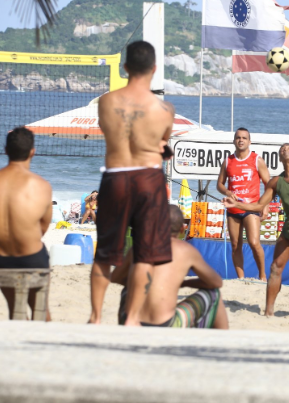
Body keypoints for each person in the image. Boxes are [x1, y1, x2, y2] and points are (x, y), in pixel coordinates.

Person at [89, 40, 175, 327]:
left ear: (125, 67)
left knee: (104, 254)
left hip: (116, 176)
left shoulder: (105, 102)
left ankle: (96, 316)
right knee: (144, 255)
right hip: (149, 179)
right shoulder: (164, 109)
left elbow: (110, 131)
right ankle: (133, 319)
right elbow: (162, 143)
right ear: (154, 69)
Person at [222, 143, 289, 316]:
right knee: (274, 268)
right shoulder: (275, 182)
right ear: (280, 158)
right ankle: (269, 311)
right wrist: (236, 204)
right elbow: (258, 205)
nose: (285, 149)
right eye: (282, 149)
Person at [107, 205, 229, 329]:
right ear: (182, 229)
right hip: (167, 325)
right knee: (214, 295)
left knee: (127, 290)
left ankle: (125, 331)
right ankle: (223, 342)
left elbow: (115, 277)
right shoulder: (187, 250)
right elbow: (216, 282)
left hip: (131, 321)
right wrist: (185, 283)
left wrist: (136, 283)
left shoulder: (137, 247)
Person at [0, 127, 52, 320]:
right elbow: (42, 228)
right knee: (41, 311)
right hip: (31, 259)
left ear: (6, 150)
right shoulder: (41, 185)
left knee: (14, 307)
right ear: (33, 151)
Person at [217, 128, 270, 281]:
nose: (241, 140)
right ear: (234, 141)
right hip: (233, 209)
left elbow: (268, 184)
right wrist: (227, 192)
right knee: (235, 245)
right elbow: (219, 184)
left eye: (244, 138)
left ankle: (262, 276)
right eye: (238, 138)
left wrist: (264, 205)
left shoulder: (256, 160)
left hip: (251, 208)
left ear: (249, 141)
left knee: (254, 242)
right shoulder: (228, 161)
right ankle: (241, 279)